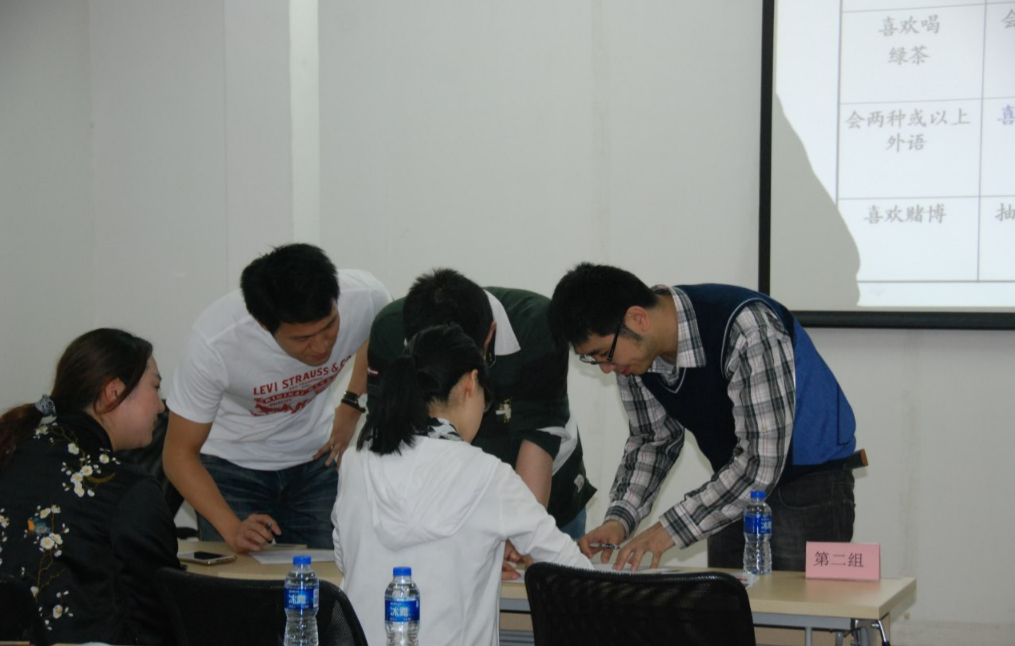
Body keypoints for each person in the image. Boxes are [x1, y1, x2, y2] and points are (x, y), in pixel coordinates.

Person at [549, 263, 859, 572]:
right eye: (593, 360)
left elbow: (760, 461)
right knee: (728, 601)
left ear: (637, 319)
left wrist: (667, 531)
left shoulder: (746, 328)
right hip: (731, 489)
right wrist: (619, 519)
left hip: (807, 487)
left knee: (793, 602)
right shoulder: (633, 355)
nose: (606, 368)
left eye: (604, 354)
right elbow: (653, 441)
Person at [333, 324, 592, 646]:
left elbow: (346, 559)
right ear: (471, 383)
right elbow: (569, 569)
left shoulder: (356, 462)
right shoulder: (487, 474)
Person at [164, 243, 389, 551]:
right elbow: (178, 455)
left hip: (314, 460)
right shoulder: (215, 343)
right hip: (231, 467)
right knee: (239, 578)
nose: (321, 347)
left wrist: (352, 404)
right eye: (302, 338)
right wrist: (232, 529)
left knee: (330, 571)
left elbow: (379, 332)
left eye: (329, 326)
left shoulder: (365, 297)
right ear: (263, 324)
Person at [366, 269, 595, 542]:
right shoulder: (389, 330)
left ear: (489, 336)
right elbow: (391, 435)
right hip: (441, 503)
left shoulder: (538, 325)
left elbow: (539, 436)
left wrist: (519, 536)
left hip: (539, 491)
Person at [0, 329, 180, 645]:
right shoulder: (127, 488)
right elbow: (163, 609)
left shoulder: (11, 451)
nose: (160, 406)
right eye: (155, 387)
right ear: (114, 391)